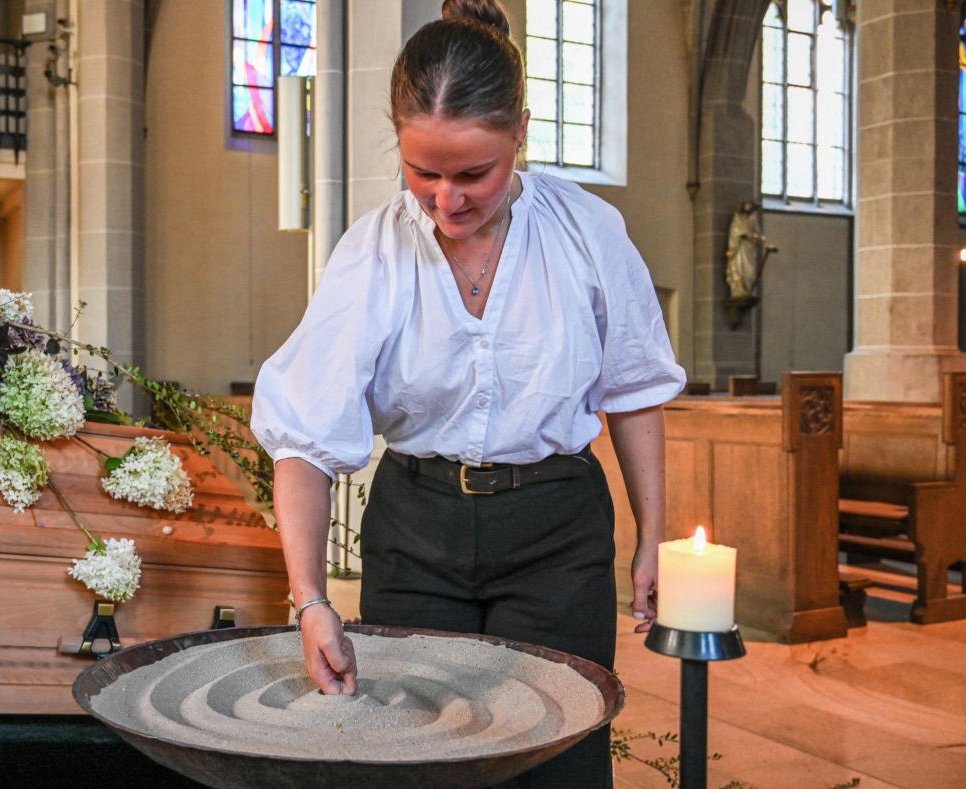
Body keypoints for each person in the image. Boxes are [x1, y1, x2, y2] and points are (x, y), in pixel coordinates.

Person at [251, 1, 685, 785]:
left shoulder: (588, 231)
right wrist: (311, 598)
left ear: (520, 130)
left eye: (472, 174)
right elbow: (305, 438)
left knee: (556, 757)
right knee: (420, 753)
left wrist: (653, 531)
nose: (447, 200)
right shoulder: (372, 251)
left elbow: (633, 388)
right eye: (424, 173)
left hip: (557, 531)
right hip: (416, 530)